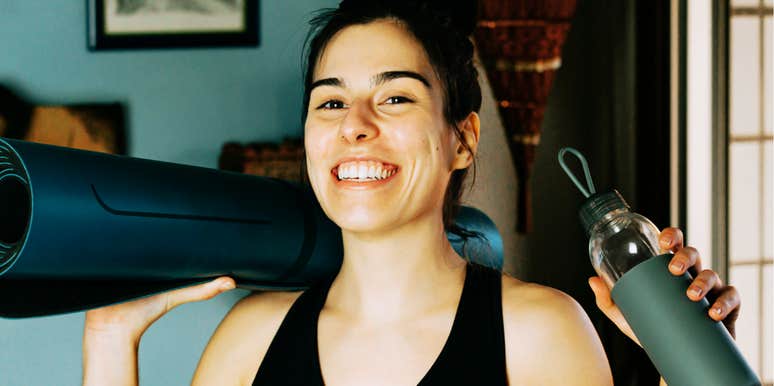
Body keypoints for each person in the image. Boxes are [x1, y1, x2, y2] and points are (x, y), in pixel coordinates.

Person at [82, 1, 741, 385]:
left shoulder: (539, 331)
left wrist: (677, 361)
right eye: (330, 101)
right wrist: (110, 335)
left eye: (395, 96)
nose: (355, 126)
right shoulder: (249, 341)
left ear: (462, 139)